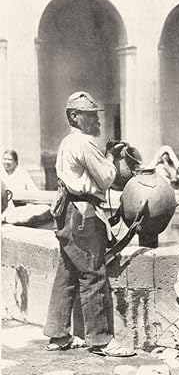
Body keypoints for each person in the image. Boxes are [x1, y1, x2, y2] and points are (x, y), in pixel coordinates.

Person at [43, 91, 135, 357]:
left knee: (68, 273)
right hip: (82, 215)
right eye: (91, 116)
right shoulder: (83, 143)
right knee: (94, 273)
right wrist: (112, 159)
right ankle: (102, 340)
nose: (97, 121)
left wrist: (103, 154)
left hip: (67, 213)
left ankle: (58, 335)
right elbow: (107, 178)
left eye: (97, 116)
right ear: (74, 116)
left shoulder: (67, 143)